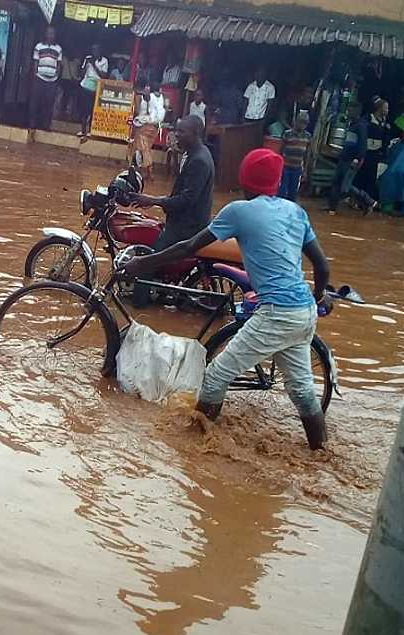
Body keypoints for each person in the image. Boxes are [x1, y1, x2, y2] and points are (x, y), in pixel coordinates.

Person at [122, 148, 332, 450]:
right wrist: (318, 296)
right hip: (304, 312)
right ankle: (320, 453)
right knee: (301, 391)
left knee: (215, 376)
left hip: (276, 313)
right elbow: (322, 267)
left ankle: (199, 450)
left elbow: (190, 246)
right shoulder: (295, 212)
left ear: (246, 179)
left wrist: (143, 263)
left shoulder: (238, 211)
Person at [129, 115, 215, 307]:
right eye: (176, 130)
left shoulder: (199, 161)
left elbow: (187, 200)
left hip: (187, 226)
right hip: (189, 220)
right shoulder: (198, 153)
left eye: (181, 131)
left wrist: (154, 200)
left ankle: (138, 309)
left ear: (195, 133)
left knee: (146, 262)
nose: (176, 135)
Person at [327, 100, 379, 215]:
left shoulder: (361, 126)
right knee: (336, 182)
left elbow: (362, 144)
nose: (348, 112)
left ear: (357, 111)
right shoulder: (351, 124)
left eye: (350, 110)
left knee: (346, 186)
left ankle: (368, 200)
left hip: (351, 160)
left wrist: (358, 158)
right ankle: (332, 208)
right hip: (344, 157)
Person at [130, 77, 166, 181]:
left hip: (144, 125)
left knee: (142, 149)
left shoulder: (140, 96)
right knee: (146, 149)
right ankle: (146, 171)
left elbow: (137, 111)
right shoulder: (158, 97)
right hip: (155, 127)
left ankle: (147, 171)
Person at [30, 26, 62, 131]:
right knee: (35, 102)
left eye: (52, 33)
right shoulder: (39, 46)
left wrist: (56, 75)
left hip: (52, 81)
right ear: (45, 34)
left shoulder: (58, 49)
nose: (51, 35)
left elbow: (59, 64)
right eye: (49, 33)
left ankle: (45, 126)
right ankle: (33, 124)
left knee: (48, 103)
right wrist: (35, 74)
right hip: (39, 78)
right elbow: (35, 61)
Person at [279, 110, 312, 202]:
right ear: (296, 121)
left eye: (305, 123)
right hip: (285, 167)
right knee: (282, 191)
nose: (302, 125)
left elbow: (307, 155)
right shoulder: (287, 134)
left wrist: (305, 170)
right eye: (301, 121)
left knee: (293, 193)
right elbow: (280, 151)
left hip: (297, 168)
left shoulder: (308, 136)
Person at [78, 45, 108, 136]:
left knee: (92, 110)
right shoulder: (88, 58)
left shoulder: (104, 61)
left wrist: (94, 65)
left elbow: (104, 76)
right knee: (84, 110)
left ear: (100, 51)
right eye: (93, 50)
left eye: (96, 50)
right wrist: (86, 64)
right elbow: (82, 73)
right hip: (85, 85)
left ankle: (90, 131)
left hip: (97, 87)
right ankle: (83, 130)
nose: (94, 52)